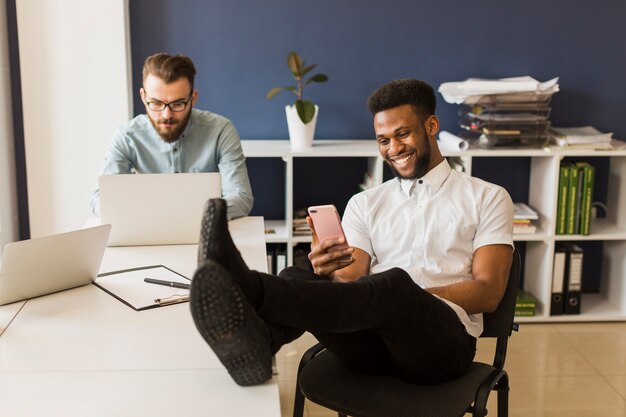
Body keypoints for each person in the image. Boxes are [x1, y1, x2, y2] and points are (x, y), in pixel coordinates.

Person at [189, 78, 514, 386]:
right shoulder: (364, 203)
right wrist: (329, 271)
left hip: (441, 349)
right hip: (369, 347)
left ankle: (248, 285)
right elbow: (351, 278)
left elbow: (489, 292)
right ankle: (263, 343)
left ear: (431, 126)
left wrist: (413, 299)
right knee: (298, 274)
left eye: (403, 134)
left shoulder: (488, 197)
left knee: (396, 286)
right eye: (383, 140)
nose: (393, 149)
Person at [91, 52, 253, 220]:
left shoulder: (221, 130)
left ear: (193, 98)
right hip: (147, 233)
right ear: (143, 97)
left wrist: (188, 216)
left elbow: (240, 196)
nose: (166, 114)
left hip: (205, 233)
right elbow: (99, 200)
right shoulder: (127, 136)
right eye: (156, 103)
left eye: (177, 104)